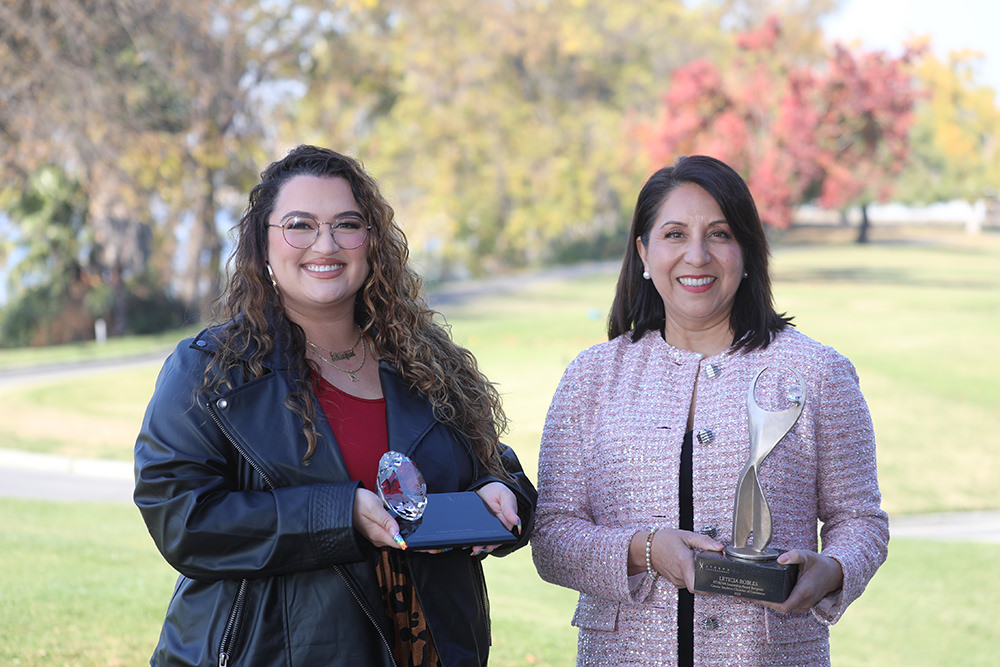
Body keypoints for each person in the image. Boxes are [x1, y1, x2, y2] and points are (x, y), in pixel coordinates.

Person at [134, 145, 536, 667]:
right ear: (262, 243)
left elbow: (488, 462)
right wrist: (337, 514)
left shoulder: (422, 359)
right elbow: (181, 518)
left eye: (348, 224)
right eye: (300, 225)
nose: (326, 244)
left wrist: (499, 489)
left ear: (371, 242)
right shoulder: (211, 369)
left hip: (428, 648)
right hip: (271, 653)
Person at [531, 155, 887, 666]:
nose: (696, 255)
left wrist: (832, 568)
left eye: (719, 234)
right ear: (644, 253)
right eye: (674, 234)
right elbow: (552, 536)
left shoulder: (817, 372)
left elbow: (861, 521)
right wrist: (644, 549)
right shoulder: (591, 378)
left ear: (746, 250)